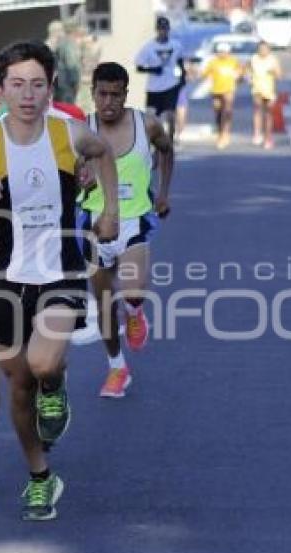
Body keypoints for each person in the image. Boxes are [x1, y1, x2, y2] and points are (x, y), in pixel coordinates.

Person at [0, 40, 119, 521]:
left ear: (51, 89)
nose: (28, 94)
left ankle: (57, 381)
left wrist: (108, 210)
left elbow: (103, 152)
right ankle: (42, 477)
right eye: (18, 84)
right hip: (4, 277)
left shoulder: (69, 134)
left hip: (62, 268)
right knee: (19, 387)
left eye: (38, 85)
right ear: (2, 90)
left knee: (44, 363)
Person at [79, 62, 173, 398]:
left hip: (134, 220)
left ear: (125, 94)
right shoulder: (81, 130)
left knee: (132, 289)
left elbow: (166, 149)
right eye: (101, 94)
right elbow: (68, 174)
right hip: (93, 225)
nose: (108, 102)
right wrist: (81, 178)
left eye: (115, 95)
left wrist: (162, 193)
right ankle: (117, 368)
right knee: (104, 305)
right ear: (92, 94)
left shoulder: (146, 124)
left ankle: (134, 311)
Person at [135, 16, 185, 140]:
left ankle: (171, 141)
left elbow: (180, 63)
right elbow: (139, 67)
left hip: (170, 85)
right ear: (157, 30)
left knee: (170, 116)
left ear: (168, 30)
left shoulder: (176, 45)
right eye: (160, 29)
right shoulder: (148, 47)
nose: (163, 31)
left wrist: (182, 79)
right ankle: (153, 142)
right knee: (151, 117)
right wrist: (152, 69)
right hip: (154, 88)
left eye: (165, 29)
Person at [201, 42, 242, 150]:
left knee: (227, 110)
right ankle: (220, 130)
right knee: (218, 110)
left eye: (224, 52)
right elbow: (205, 74)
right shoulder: (213, 62)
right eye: (220, 52)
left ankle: (225, 133)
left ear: (228, 52)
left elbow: (240, 72)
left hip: (229, 89)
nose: (222, 54)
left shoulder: (233, 61)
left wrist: (238, 76)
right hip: (216, 90)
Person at [249, 41, 282, 149]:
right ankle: (257, 134)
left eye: (265, 49)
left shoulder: (273, 60)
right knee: (257, 110)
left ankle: (268, 138)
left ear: (269, 50)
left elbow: (279, 75)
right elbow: (246, 69)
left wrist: (274, 72)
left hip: (269, 90)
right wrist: (248, 77)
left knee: (268, 114)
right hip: (257, 88)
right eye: (260, 49)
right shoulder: (254, 58)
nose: (262, 51)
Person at [47, 20, 81, 104]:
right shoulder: (64, 45)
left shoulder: (47, 45)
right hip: (62, 84)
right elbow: (72, 64)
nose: (62, 33)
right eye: (61, 31)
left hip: (58, 85)